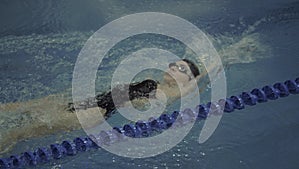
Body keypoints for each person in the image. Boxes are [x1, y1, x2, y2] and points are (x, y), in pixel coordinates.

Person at [0, 59, 206, 153]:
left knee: (21, 132)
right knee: (35, 106)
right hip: (93, 102)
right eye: (173, 64)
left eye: (180, 68)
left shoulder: (176, 91)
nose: (172, 67)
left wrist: (215, 63)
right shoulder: (155, 80)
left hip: (95, 113)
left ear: (188, 79)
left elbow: (200, 78)